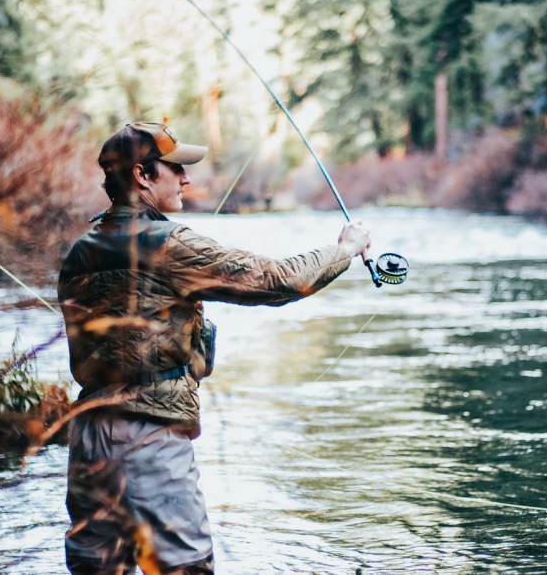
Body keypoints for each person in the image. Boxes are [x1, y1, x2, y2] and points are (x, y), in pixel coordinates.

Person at [57, 122, 370, 575]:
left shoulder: (79, 251)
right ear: (143, 176)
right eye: (176, 168)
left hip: (87, 439)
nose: (185, 178)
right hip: (148, 437)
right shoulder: (168, 244)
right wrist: (344, 249)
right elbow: (279, 280)